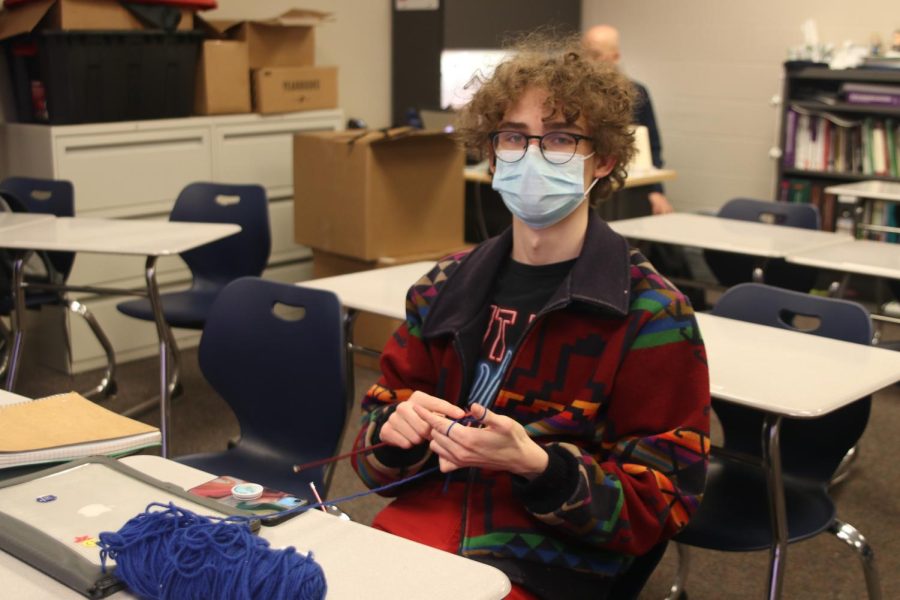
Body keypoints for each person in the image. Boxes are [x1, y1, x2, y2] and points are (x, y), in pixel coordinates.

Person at [350, 33, 710, 600]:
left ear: (606, 159)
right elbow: (372, 453)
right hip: (419, 538)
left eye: (562, 139)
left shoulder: (650, 314)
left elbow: (664, 502)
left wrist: (540, 468)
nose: (533, 156)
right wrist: (394, 437)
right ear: (492, 155)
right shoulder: (444, 287)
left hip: (547, 561)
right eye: (515, 138)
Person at [582, 24, 673, 216]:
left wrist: (656, 191)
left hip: (625, 189)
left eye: (596, 55)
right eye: (584, 53)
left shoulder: (635, 93)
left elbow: (651, 147)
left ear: (615, 57)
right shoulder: (572, 95)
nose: (588, 61)